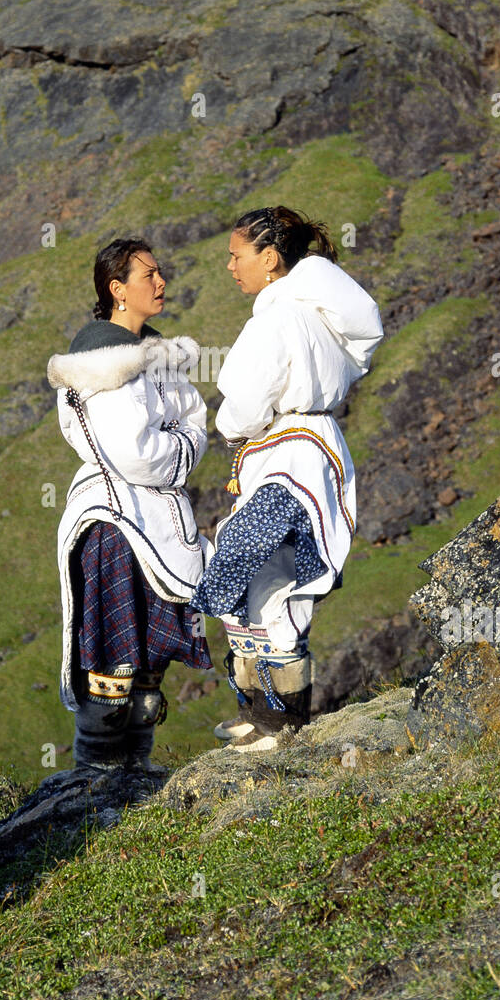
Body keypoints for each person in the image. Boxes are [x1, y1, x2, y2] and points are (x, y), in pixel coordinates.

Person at [190, 206, 384, 752]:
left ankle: (279, 723)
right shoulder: (308, 314)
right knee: (266, 580)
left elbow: (247, 405)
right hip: (306, 454)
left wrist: (227, 425)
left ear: (270, 258)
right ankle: (262, 714)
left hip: (287, 457)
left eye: (237, 255)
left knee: (262, 575)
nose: (230, 266)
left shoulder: (277, 319)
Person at [46, 237, 210, 771]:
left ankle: (134, 776)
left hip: (155, 520)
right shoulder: (101, 362)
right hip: (115, 528)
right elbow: (137, 455)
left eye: (160, 272)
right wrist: (181, 446)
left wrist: (179, 442)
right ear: (117, 290)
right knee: (112, 665)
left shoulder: (158, 355)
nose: (160, 283)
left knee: (145, 667)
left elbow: (195, 421)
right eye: (148, 276)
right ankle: (94, 784)